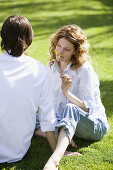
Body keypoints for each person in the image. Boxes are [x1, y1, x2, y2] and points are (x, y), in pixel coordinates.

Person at [36, 25, 110, 169]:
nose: (60, 52)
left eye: (67, 49)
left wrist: (67, 93)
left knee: (71, 108)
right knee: (30, 116)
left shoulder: (84, 69)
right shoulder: (51, 66)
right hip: (64, 118)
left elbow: (89, 108)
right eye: (59, 45)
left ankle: (55, 159)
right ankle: (63, 134)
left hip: (93, 123)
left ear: (76, 51)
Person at [0, 15, 58, 165]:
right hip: (17, 151)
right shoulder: (38, 69)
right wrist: (57, 151)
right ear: (29, 38)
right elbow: (48, 117)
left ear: (3, 36)